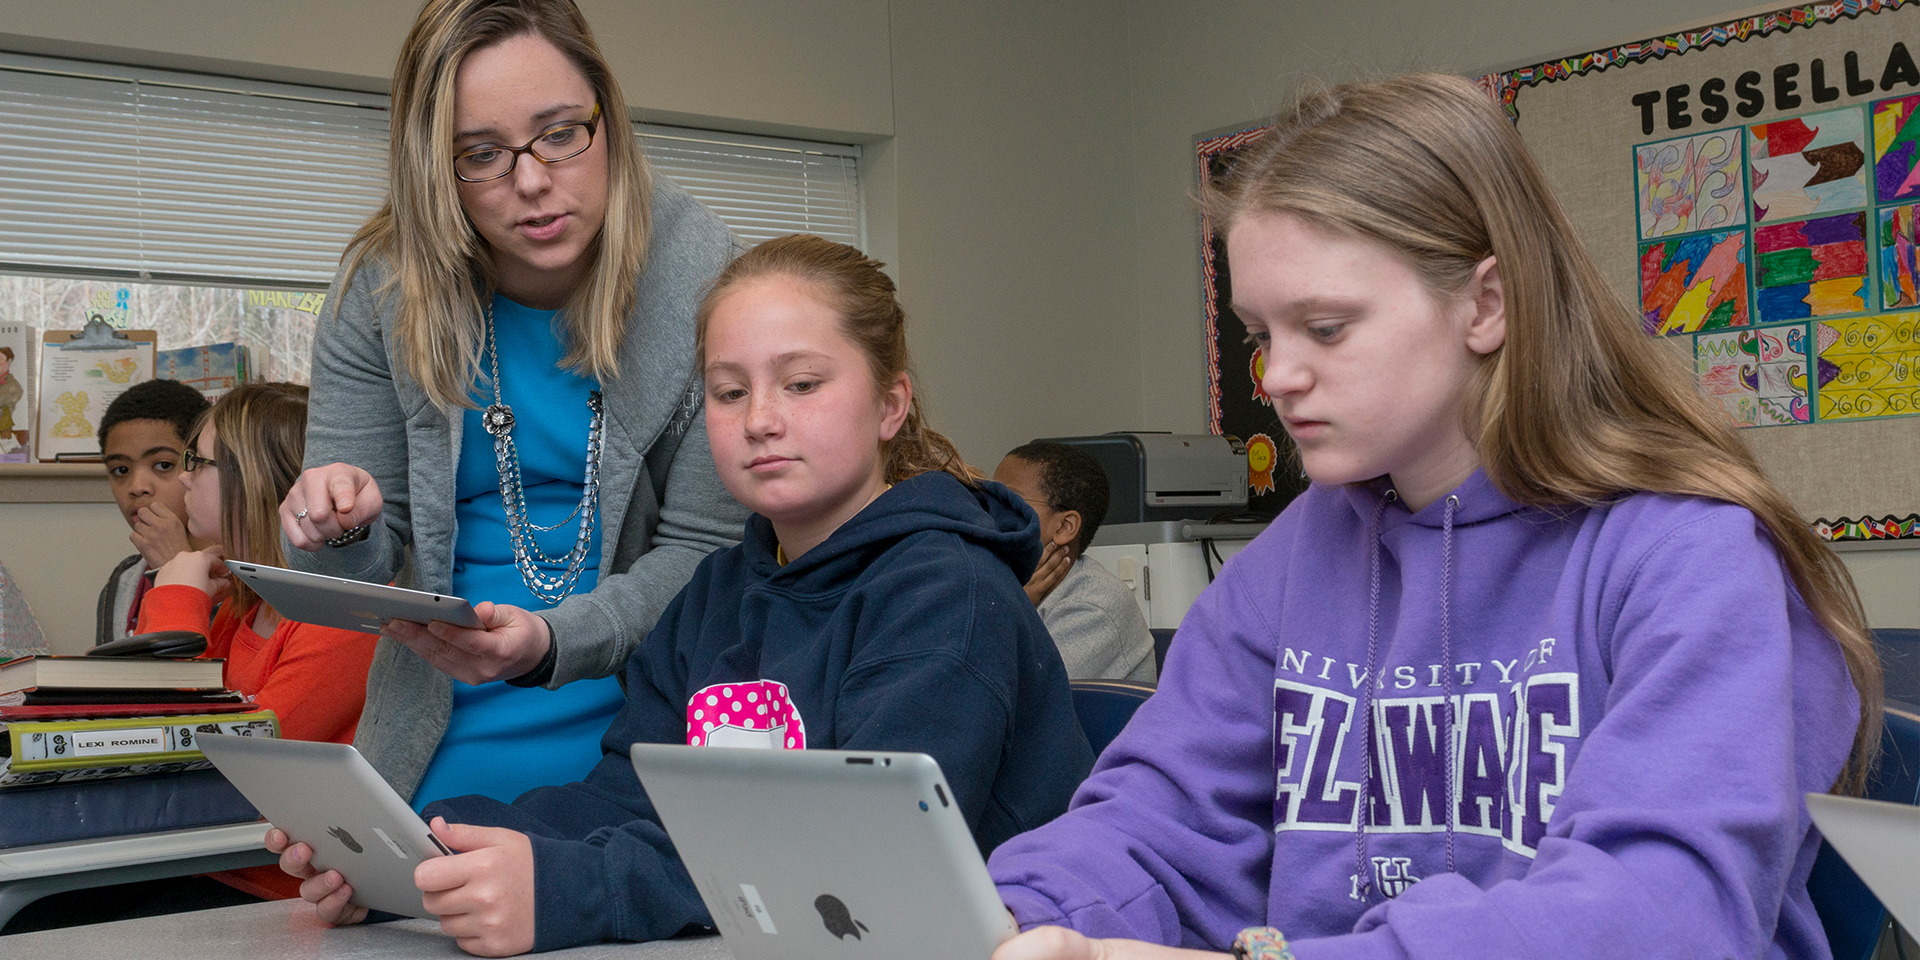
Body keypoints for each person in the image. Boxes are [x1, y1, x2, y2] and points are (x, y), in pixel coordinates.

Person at [985, 74, 1882, 960]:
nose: (1276, 377)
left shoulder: (1688, 554)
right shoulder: (1301, 549)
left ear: (1484, 304)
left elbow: (1658, 913)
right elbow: (1158, 812)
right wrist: (1025, 918)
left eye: (1326, 328)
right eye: (1262, 335)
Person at [269, 234, 1094, 956]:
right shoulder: (717, 593)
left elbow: (854, 872)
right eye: (729, 392)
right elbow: (632, 795)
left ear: (891, 403)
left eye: (801, 384)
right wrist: (430, 850)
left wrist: (574, 891)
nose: (760, 419)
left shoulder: (950, 597)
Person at [277, 0, 749, 808]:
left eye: (562, 133)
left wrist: (548, 643)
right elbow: (358, 574)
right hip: (422, 759)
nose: (532, 183)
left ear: (609, 117)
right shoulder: (381, 291)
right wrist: (336, 526)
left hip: (639, 763)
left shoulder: (715, 288)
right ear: (435, 169)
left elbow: (707, 563)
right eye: (481, 154)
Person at [139, 382, 378, 746]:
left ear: (255, 481)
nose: (185, 477)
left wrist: (176, 600)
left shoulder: (342, 617)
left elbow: (203, 750)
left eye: (198, 462)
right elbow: (138, 724)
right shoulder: (246, 600)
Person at [994, 441, 1155, 682]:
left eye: (1009, 502)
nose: (988, 512)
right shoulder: (1002, 581)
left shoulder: (1095, 605)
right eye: (988, 498)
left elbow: (1003, 696)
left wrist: (1017, 605)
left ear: (1064, 527)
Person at [94, 378, 213, 646]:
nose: (137, 488)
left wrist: (175, 565)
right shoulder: (126, 579)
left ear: (201, 463)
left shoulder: (241, 571)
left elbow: (224, 676)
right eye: (121, 470)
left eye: (162, 465)